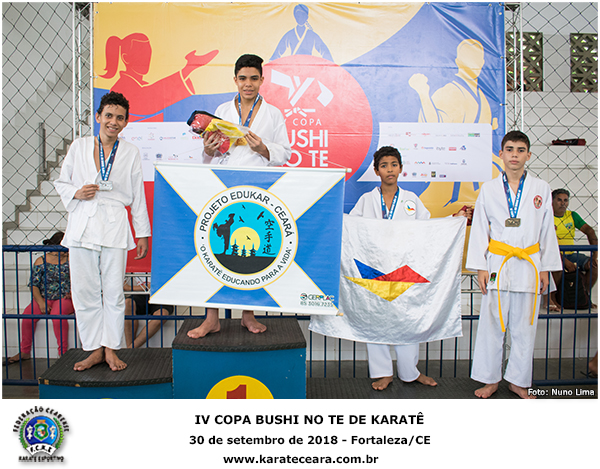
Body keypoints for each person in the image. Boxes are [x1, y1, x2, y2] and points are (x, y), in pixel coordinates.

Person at [349, 146, 471, 391]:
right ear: (376, 171)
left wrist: (454, 220)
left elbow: (428, 230)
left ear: (401, 168)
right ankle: (383, 372)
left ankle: (410, 372)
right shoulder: (366, 201)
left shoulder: (411, 200)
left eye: (394, 165)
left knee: (408, 319)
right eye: (384, 165)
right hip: (374, 268)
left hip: (404, 269)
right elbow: (351, 228)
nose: (389, 169)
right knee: (375, 320)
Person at [189, 54, 291, 339]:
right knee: (213, 249)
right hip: (223, 184)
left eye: (254, 78)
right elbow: (210, 152)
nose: (248, 84)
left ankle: (248, 314)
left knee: (251, 250)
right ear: (235, 79)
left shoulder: (273, 114)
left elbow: (285, 152)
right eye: (243, 78)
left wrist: (263, 149)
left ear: (262, 80)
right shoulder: (222, 110)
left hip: (257, 187)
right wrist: (208, 149)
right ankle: (211, 318)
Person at [54, 91, 151, 372]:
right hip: (83, 221)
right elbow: (62, 182)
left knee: (113, 291)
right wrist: (76, 192)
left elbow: (137, 194)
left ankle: (111, 348)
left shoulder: (130, 151)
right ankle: (93, 349)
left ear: (126, 122)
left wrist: (142, 232)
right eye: (109, 115)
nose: (113, 122)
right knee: (84, 291)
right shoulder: (79, 146)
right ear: (98, 117)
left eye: (120, 118)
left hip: (114, 223)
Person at [466, 130, 562, 399]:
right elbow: (480, 228)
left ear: (528, 155)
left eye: (520, 150)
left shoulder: (541, 188)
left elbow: (547, 231)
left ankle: (518, 381)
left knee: (524, 328)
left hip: (529, 264)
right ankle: (490, 379)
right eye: (510, 149)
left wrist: (545, 268)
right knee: (492, 326)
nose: (515, 155)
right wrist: (481, 266)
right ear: (501, 154)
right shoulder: (489, 189)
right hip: (498, 262)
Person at [5, 232, 74, 364]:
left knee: (57, 315)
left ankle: (63, 353)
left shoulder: (72, 260)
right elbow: (34, 284)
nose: (65, 252)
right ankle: (24, 351)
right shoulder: (41, 261)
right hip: (44, 297)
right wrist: (41, 302)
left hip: (65, 298)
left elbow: (80, 280)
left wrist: (72, 292)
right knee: (27, 315)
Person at [551, 188, 598, 303]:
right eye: (559, 200)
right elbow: (546, 243)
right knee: (557, 267)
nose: (563, 203)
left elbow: (590, 231)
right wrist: (564, 260)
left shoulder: (572, 216)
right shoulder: (547, 217)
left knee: (594, 266)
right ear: (552, 201)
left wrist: (595, 256)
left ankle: (584, 296)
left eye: (566, 200)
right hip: (554, 255)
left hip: (572, 254)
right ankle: (552, 300)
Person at [123, 276, 174, 349]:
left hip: (161, 295)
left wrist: (131, 288)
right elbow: (123, 286)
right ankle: (130, 347)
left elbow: (162, 284)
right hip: (141, 295)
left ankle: (131, 348)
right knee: (128, 303)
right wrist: (147, 287)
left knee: (162, 314)